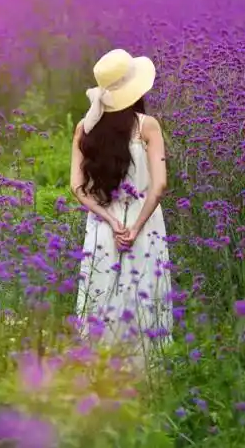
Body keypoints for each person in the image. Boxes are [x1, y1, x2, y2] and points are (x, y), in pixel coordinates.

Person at [69, 48, 172, 354]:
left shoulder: (84, 128)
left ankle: (100, 372)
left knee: (101, 298)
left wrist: (111, 221)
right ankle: (148, 376)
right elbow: (160, 184)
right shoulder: (147, 125)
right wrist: (135, 226)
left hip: (103, 229)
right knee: (144, 298)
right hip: (145, 224)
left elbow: (76, 187)